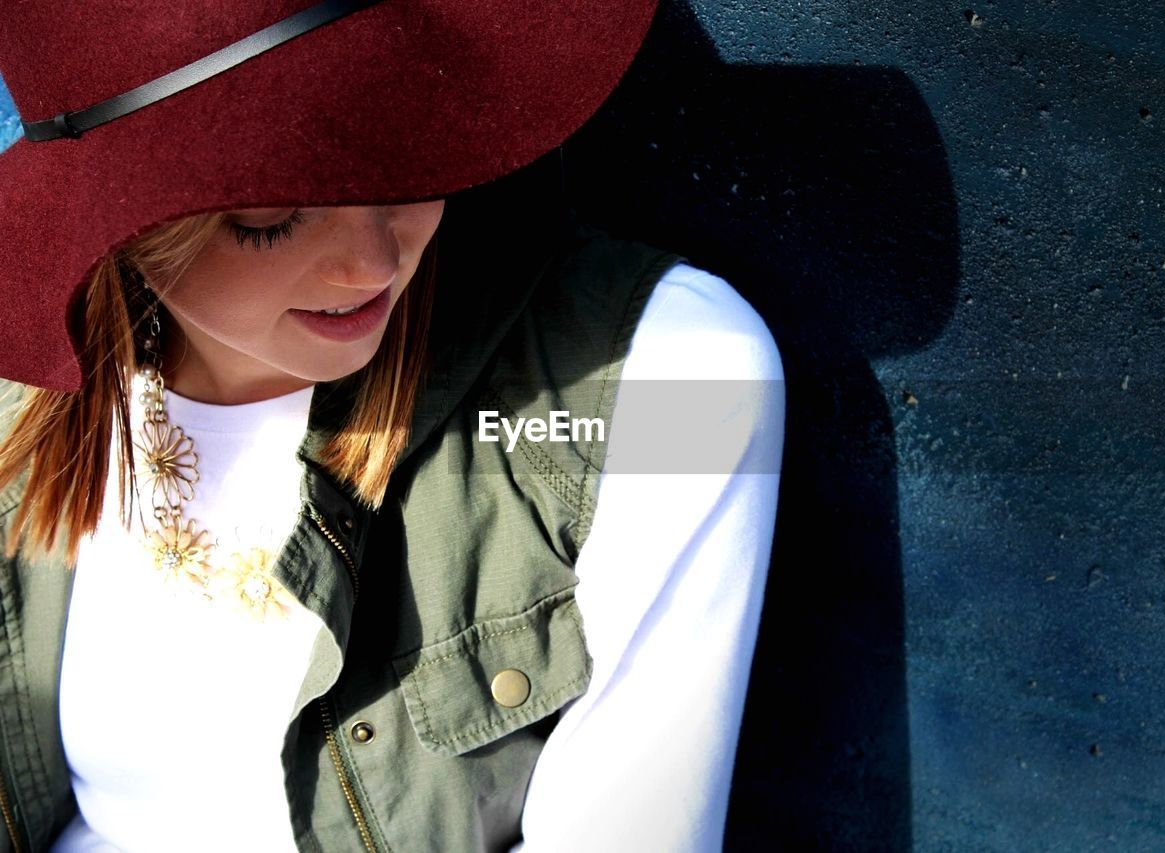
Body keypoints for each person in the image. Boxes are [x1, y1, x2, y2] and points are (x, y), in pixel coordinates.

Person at [0, 2, 785, 851]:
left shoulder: (668, 376)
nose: (375, 261)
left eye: (405, 149)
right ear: (116, 223)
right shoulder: (24, 406)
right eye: (270, 217)